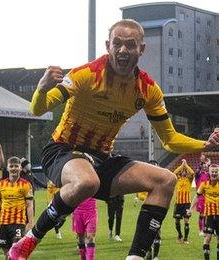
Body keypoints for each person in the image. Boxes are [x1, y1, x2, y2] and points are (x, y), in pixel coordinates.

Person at [11, 19, 219, 260]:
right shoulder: (85, 74)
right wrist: (41, 88)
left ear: (141, 49)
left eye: (130, 45)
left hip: (101, 159)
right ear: (108, 46)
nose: (122, 50)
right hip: (63, 150)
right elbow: (38, 109)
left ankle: (135, 257)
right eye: (117, 44)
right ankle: (28, 241)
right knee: (87, 181)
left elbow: (170, 140)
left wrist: (205, 145)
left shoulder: (148, 89)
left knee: (165, 180)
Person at [0, 157, 34, 259]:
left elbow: (29, 205)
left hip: (19, 223)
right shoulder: (0, 185)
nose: (14, 168)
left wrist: (30, 223)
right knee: (7, 254)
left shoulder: (26, 185)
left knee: (16, 252)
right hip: (3, 224)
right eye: (11, 166)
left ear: (20, 168)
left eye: (16, 166)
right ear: (7, 168)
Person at [190, 164, 219, 260]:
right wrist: (190, 209)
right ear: (209, 173)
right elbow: (197, 196)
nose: (214, 173)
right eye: (212, 172)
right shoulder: (204, 184)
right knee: (207, 238)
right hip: (209, 216)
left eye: (216, 171)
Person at [173, 159, 195, 244]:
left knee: (186, 221)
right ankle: (179, 235)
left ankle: (185, 239)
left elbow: (192, 173)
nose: (184, 171)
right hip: (178, 203)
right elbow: (174, 173)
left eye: (185, 170)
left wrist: (186, 165)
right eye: (183, 170)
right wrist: (182, 165)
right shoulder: (177, 179)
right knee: (177, 221)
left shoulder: (189, 180)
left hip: (186, 203)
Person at [196, 155, 212, 236]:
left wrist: (209, 165)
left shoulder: (209, 175)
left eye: (206, 166)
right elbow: (197, 170)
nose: (205, 167)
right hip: (201, 197)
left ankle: (207, 229)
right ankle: (201, 230)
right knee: (202, 215)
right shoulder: (198, 174)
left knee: (208, 214)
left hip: (208, 196)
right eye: (204, 166)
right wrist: (202, 162)